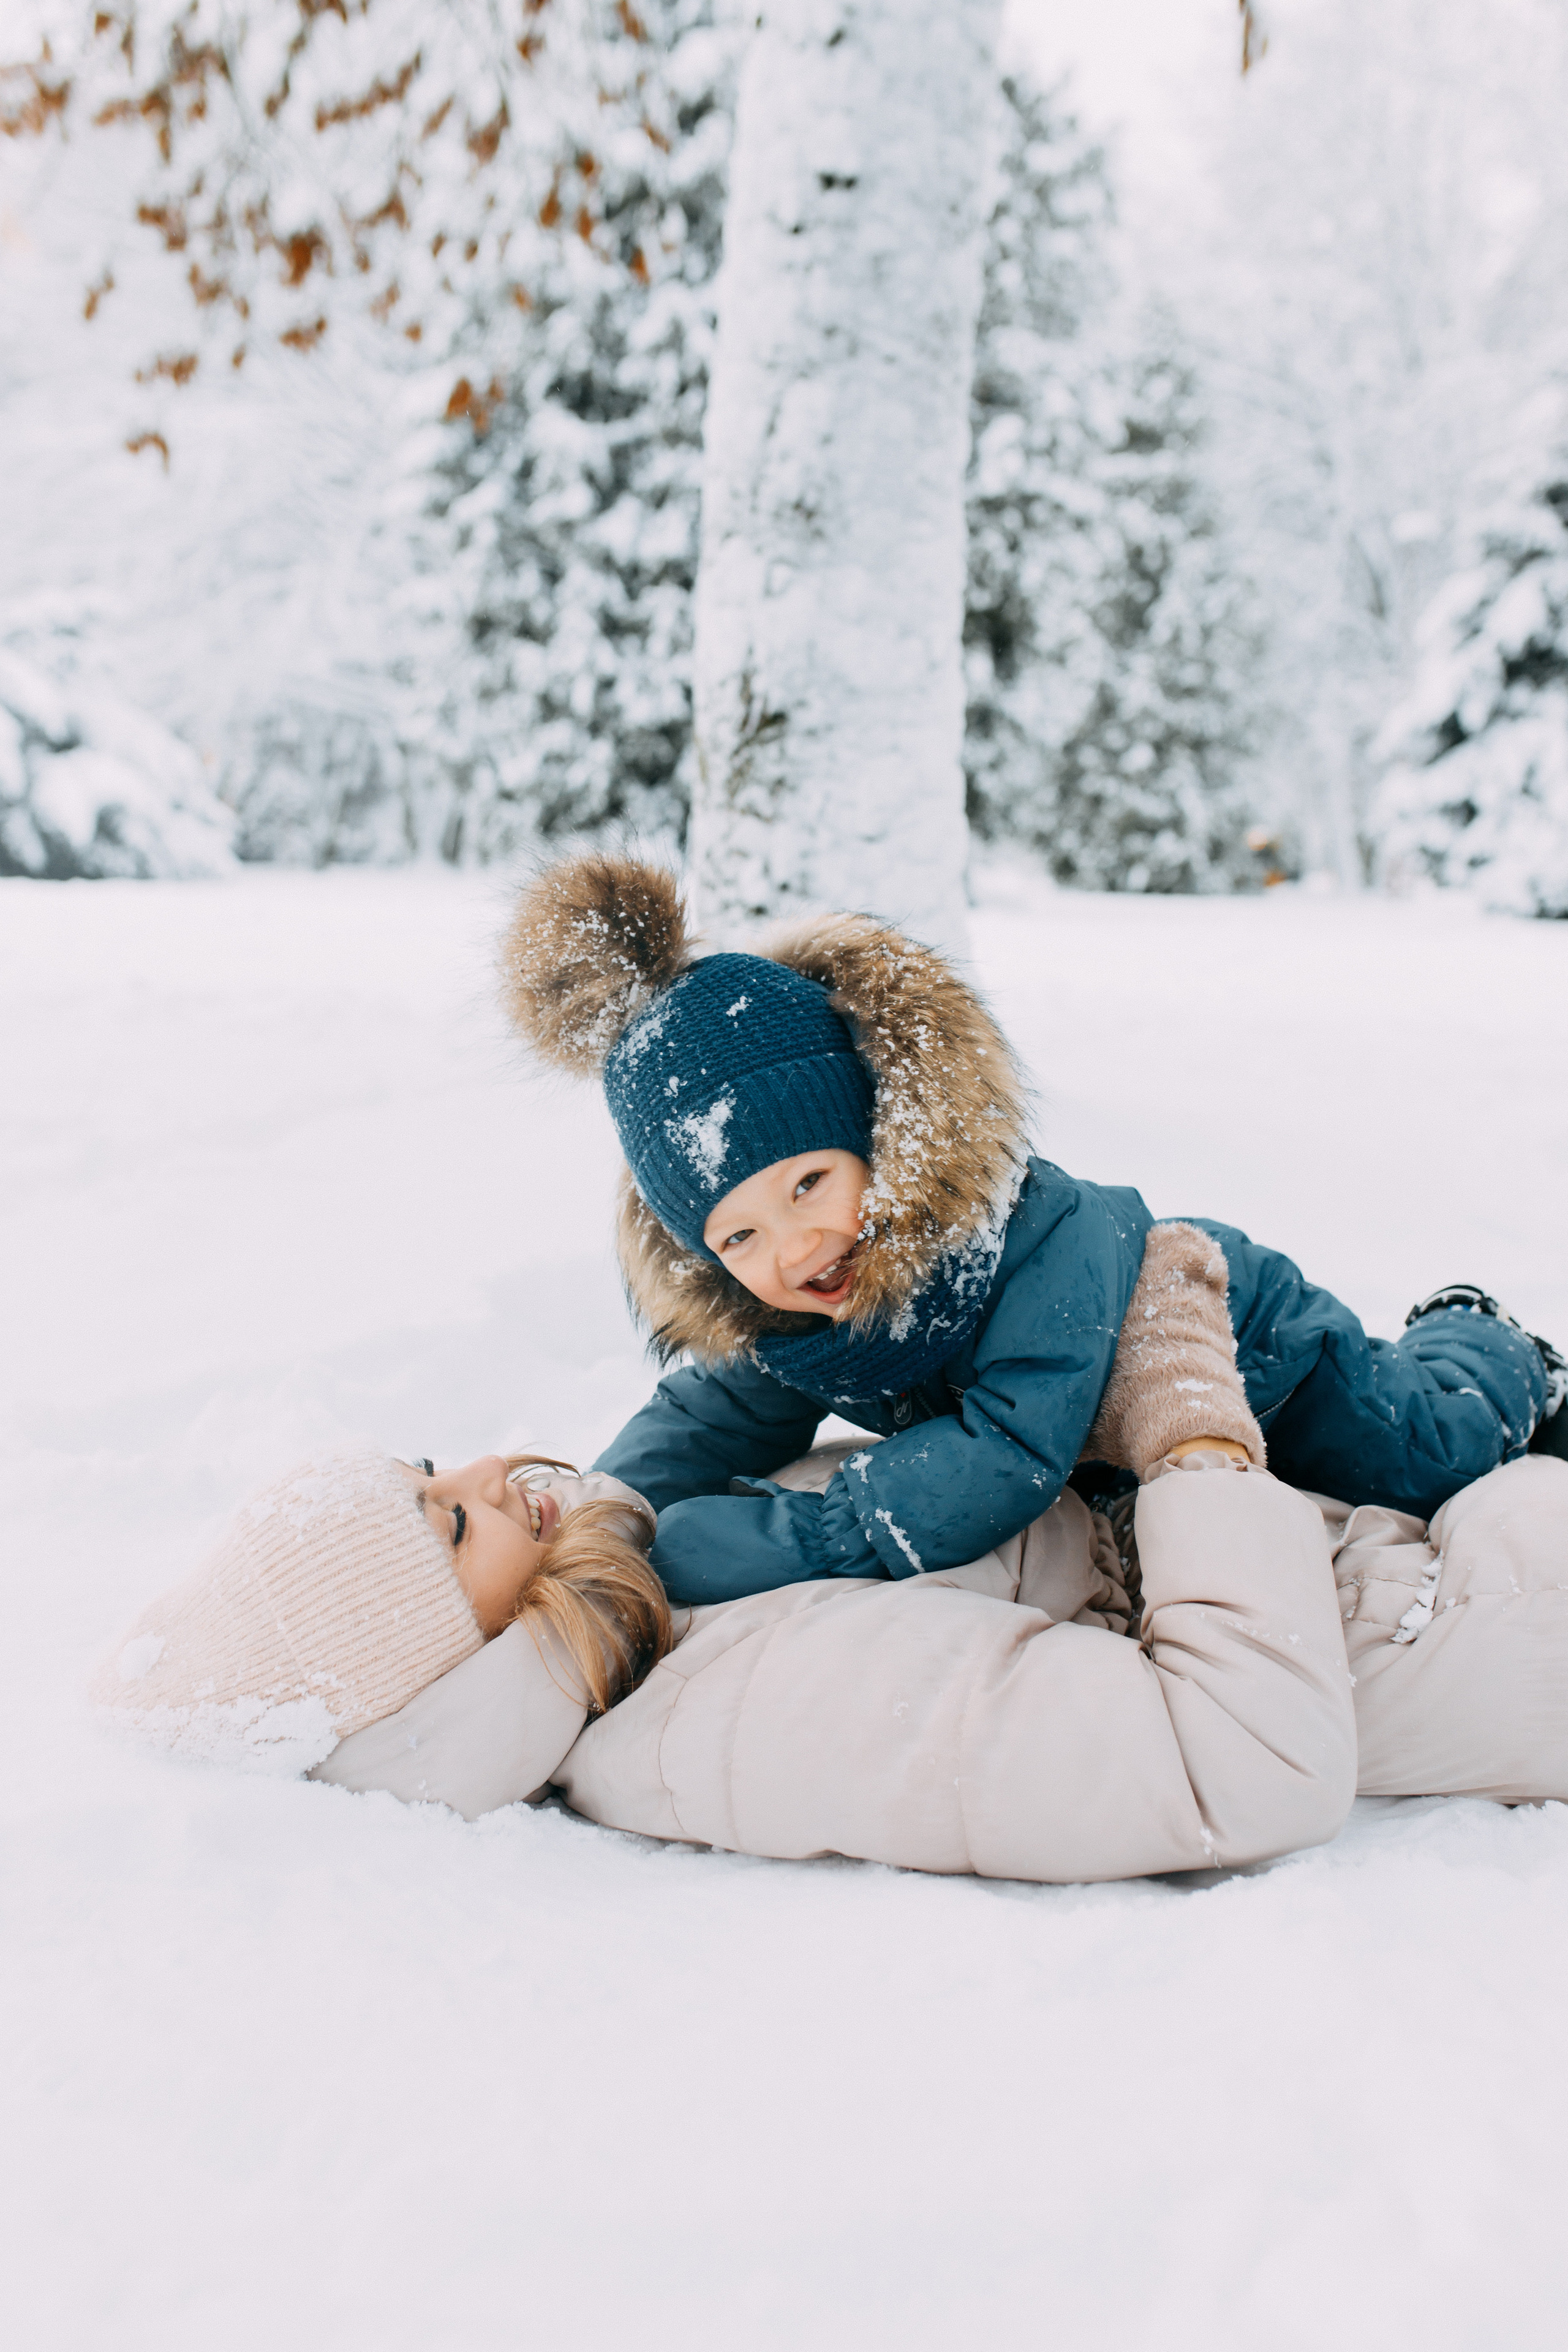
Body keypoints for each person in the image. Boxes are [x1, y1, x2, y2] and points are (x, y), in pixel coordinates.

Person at [501, 850, 1567, 1608]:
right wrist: (605, 1512)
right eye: (735, 1239)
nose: (791, 1249)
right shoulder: (799, 1309)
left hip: (1254, 1348)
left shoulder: (1034, 1237)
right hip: (1104, 1439)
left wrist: (787, 1538)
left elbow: (1007, 1449)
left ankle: (1488, 1341)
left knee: (1425, 1454)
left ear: (882, 1129)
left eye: (810, 1183)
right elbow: (711, 1414)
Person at [90, 1447, 669, 1773]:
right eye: (457, 1524)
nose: (491, 1469)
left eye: (430, 1469)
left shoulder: (588, 1527)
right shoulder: (668, 1737)